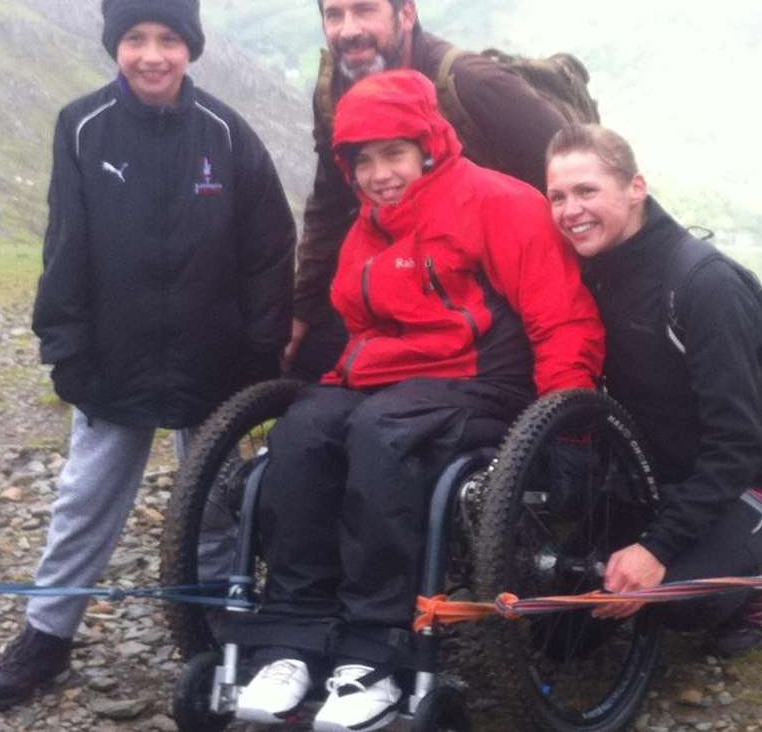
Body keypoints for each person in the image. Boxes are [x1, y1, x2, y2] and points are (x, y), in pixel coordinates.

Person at [235, 70, 604, 732]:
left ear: (429, 145)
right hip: (389, 380)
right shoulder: (367, 229)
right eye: (364, 159)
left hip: (485, 380)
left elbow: (562, 321)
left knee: (385, 434)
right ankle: (291, 640)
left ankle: (377, 654)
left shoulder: (499, 203)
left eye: (393, 154)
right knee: (303, 432)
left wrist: (567, 433)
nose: (379, 174)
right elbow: (361, 326)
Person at [0, 0, 295, 709]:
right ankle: (46, 633)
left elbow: (270, 251)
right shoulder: (81, 126)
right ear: (115, 45)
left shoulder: (228, 132)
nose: (152, 54)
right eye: (136, 38)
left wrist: (258, 351)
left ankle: (212, 616)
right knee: (85, 498)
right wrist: (67, 346)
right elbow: (66, 245)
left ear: (191, 46)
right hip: (112, 358)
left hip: (213, 359)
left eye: (168, 39)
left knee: (211, 499)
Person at [545, 124, 762, 656]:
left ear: (636, 188)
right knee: (555, 635)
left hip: (747, 482)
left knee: (677, 605)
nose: (570, 211)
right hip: (654, 477)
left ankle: (759, 572)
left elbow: (737, 446)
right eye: (557, 197)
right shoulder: (592, 272)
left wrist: (656, 548)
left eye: (587, 191)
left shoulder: (703, 285)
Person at [286, 0, 576, 379]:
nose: (348, 29)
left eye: (364, 10)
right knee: (310, 364)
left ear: (407, 13)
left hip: (508, 285)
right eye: (334, 15)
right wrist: (303, 312)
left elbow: (578, 165)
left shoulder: (472, 84)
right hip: (420, 283)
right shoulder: (340, 93)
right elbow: (330, 205)